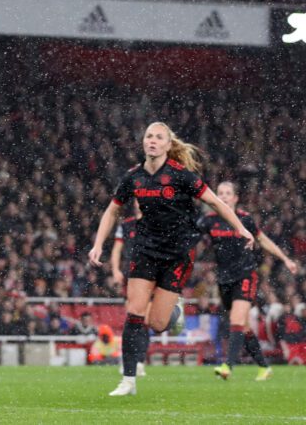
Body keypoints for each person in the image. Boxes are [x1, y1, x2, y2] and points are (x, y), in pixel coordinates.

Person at [88, 122, 255, 397]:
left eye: (158, 137)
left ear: (168, 145)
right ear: (143, 143)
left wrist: (240, 227)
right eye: (148, 136)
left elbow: (215, 202)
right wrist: (97, 245)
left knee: (157, 323)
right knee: (134, 312)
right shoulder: (133, 177)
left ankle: (174, 313)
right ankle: (128, 380)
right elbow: (111, 212)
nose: (152, 141)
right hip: (144, 251)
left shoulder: (181, 176)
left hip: (177, 255)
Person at [199, 181, 298, 381]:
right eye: (220, 193)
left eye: (228, 193)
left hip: (245, 274)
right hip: (224, 279)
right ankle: (264, 367)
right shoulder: (208, 221)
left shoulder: (245, 219)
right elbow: (192, 242)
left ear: (235, 198)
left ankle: (228, 366)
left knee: (236, 320)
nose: (224, 196)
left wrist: (285, 259)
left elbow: (263, 240)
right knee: (242, 326)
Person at [110, 201, 146, 376]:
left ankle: (139, 360)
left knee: (145, 320)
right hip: (131, 274)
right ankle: (132, 361)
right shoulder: (126, 225)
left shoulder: (155, 221)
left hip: (150, 274)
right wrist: (115, 270)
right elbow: (117, 249)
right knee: (133, 318)